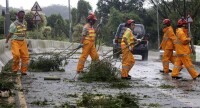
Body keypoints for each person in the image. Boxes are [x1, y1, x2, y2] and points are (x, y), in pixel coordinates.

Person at [5, 10, 29, 75]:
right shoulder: (13, 25)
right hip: (15, 41)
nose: (22, 17)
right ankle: (15, 69)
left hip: (23, 42)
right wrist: (7, 41)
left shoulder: (24, 23)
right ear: (18, 16)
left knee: (25, 56)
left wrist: (26, 41)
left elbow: (24, 32)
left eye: (23, 16)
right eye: (21, 16)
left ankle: (23, 71)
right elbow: (10, 34)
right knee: (16, 55)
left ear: (24, 16)